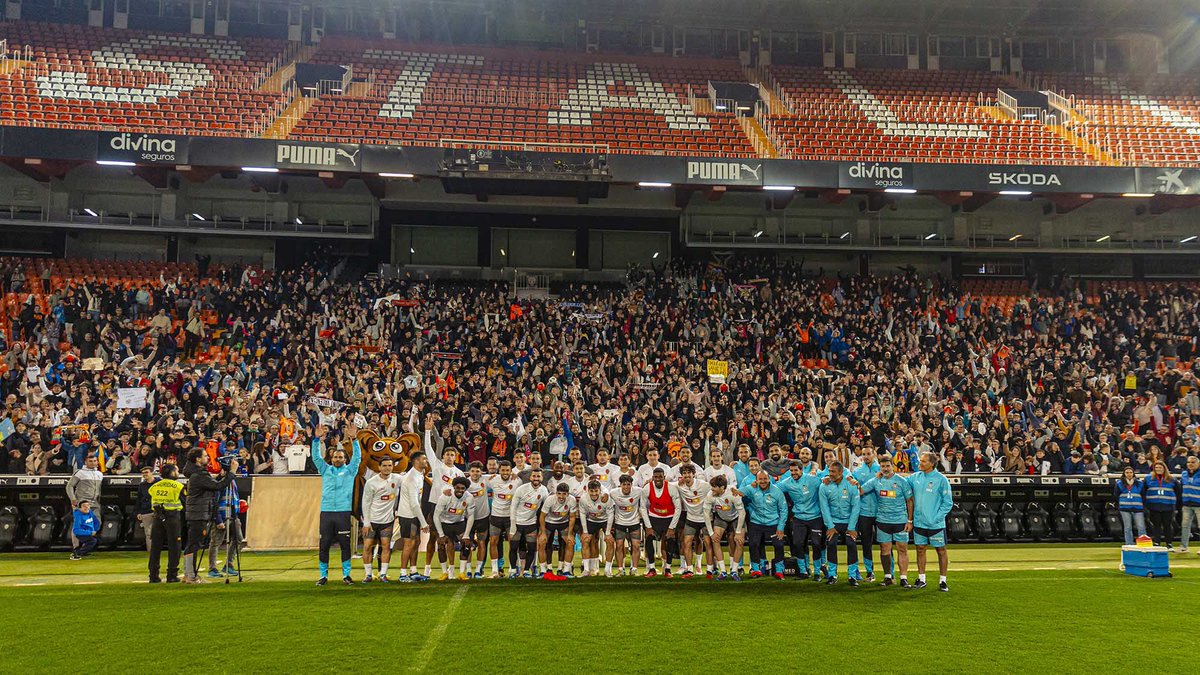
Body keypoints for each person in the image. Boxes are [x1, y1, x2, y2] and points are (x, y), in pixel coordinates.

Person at [312, 423, 362, 586]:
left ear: (344, 459)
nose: (338, 459)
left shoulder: (350, 470)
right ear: (331, 458)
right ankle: (323, 576)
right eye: (335, 457)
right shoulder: (325, 469)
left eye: (340, 457)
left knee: (345, 545)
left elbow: (357, 458)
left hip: (342, 512)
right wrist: (316, 440)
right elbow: (316, 458)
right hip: (326, 512)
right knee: (324, 544)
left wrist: (354, 440)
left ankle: (346, 575)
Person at [181, 449, 237, 584]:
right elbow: (218, 486)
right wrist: (232, 473)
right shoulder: (199, 474)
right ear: (198, 459)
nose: (208, 458)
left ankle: (188, 574)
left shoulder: (196, 474)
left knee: (193, 544)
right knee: (194, 544)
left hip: (197, 512)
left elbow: (211, 484)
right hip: (199, 513)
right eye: (205, 456)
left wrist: (220, 476)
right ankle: (190, 576)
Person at [860, 455, 914, 587]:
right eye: (882, 466)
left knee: (902, 549)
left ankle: (903, 578)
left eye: (887, 466)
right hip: (883, 520)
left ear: (892, 466)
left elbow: (910, 500)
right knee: (885, 549)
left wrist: (910, 520)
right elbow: (860, 490)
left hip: (900, 521)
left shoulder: (901, 481)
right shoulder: (876, 481)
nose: (885, 468)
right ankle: (888, 577)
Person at [908, 452, 953, 592]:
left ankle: (943, 581)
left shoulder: (941, 479)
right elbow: (901, 483)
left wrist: (936, 518)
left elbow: (948, 503)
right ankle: (921, 579)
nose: (919, 463)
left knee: (941, 550)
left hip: (936, 524)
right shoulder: (915, 477)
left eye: (923, 461)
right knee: (920, 549)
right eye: (920, 461)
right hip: (919, 522)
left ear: (932, 464)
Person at [777, 460, 825, 580]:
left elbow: (825, 481)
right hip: (799, 518)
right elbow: (773, 488)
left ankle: (818, 572)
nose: (793, 473)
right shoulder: (787, 483)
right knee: (798, 544)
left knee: (816, 544)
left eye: (795, 470)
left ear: (801, 470)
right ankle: (804, 571)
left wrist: (827, 478)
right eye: (791, 471)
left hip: (815, 517)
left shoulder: (812, 479)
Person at [819, 461, 862, 586]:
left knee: (851, 544)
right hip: (833, 522)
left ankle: (852, 576)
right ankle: (832, 575)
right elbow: (824, 508)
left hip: (849, 522)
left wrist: (852, 527)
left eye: (833, 472)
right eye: (829, 471)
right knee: (831, 543)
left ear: (841, 472)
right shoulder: (824, 486)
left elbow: (856, 507)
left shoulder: (851, 484)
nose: (830, 474)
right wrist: (830, 526)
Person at [360, 456, 400, 583]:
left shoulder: (397, 479)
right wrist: (366, 523)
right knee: (367, 547)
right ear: (379, 467)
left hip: (387, 521)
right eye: (384, 466)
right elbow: (365, 503)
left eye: (390, 465)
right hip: (372, 521)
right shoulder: (371, 482)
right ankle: (368, 574)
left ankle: (383, 574)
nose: (387, 468)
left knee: (386, 547)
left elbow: (411, 481)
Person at [742, 470, 788, 579]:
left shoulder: (777, 491)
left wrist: (780, 527)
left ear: (769, 479)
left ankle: (779, 570)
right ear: (756, 480)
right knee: (753, 544)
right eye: (760, 479)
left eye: (765, 479)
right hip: (756, 522)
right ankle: (757, 569)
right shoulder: (752, 489)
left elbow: (784, 510)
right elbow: (738, 492)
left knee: (779, 544)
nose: (763, 481)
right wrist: (750, 507)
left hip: (773, 523)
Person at [640, 467, 682, 577]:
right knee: (649, 539)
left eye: (660, 477)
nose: (658, 479)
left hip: (669, 517)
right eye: (656, 477)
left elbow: (678, 508)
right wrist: (648, 526)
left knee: (670, 540)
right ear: (652, 477)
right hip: (654, 517)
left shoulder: (671, 488)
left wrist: (672, 527)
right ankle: (652, 569)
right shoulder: (647, 489)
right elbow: (643, 508)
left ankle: (668, 569)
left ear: (664, 477)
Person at [395, 451, 430, 582]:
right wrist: (424, 522)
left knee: (416, 543)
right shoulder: (411, 478)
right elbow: (414, 504)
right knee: (409, 544)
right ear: (416, 461)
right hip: (408, 515)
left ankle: (413, 571)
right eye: (424, 459)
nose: (426, 461)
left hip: (414, 515)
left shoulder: (419, 475)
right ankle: (403, 574)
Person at [147, 463, 185, 583]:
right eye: (177, 470)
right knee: (174, 546)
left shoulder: (154, 486)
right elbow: (185, 503)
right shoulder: (178, 486)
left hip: (157, 517)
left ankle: (153, 575)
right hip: (172, 518)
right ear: (172, 473)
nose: (178, 473)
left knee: (155, 547)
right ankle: (172, 575)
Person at [433, 476, 476, 580]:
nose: (460, 490)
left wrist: (466, 535)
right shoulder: (445, 496)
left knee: (466, 544)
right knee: (441, 545)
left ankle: (462, 573)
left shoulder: (469, 497)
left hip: (458, 523)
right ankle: (445, 573)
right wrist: (441, 535)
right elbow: (436, 516)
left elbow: (471, 516)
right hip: (444, 523)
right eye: (458, 487)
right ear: (454, 487)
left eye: (463, 488)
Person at [207, 458, 243, 579]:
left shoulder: (232, 481)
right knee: (216, 542)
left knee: (238, 538)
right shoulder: (219, 482)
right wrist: (218, 520)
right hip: (222, 515)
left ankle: (229, 565)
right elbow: (214, 502)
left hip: (233, 514)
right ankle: (212, 568)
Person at [509, 468, 549, 577]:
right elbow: (513, 507)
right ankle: (513, 570)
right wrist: (512, 526)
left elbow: (546, 508)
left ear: (542, 478)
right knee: (513, 547)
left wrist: (542, 528)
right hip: (517, 523)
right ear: (530, 477)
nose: (536, 478)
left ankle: (526, 571)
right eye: (534, 476)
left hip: (531, 524)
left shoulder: (544, 490)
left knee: (531, 548)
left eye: (538, 476)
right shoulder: (521, 489)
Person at [704, 474, 745, 580]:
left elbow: (742, 513)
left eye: (714, 487)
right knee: (715, 539)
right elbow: (706, 514)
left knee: (740, 541)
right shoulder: (710, 495)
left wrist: (739, 531)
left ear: (722, 488)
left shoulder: (733, 494)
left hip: (736, 518)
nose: (711, 489)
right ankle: (723, 571)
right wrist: (711, 533)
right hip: (721, 518)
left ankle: (734, 571)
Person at [486, 460, 522, 578]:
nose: (505, 472)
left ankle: (513, 568)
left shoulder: (517, 481)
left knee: (513, 543)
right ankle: (495, 571)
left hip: (510, 518)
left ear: (511, 471)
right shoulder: (492, 480)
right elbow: (478, 480)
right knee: (493, 542)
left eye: (507, 470)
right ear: (499, 470)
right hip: (495, 517)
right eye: (503, 470)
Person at [675, 465, 712, 578]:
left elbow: (717, 488)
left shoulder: (704, 485)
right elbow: (665, 484)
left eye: (689, 473)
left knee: (708, 543)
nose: (687, 476)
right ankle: (689, 570)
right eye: (684, 473)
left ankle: (709, 570)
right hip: (691, 519)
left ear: (693, 474)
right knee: (686, 542)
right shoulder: (679, 485)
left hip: (706, 519)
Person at [850, 447, 881, 581]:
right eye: (864, 454)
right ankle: (870, 571)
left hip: (881, 511)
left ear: (873, 454)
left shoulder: (882, 468)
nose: (866, 456)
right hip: (864, 512)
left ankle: (889, 572)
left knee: (885, 543)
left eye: (868, 454)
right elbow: (855, 490)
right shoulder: (857, 472)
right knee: (866, 543)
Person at [577, 480, 615, 576]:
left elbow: (611, 515)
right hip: (591, 520)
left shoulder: (606, 499)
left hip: (606, 520)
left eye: (596, 491)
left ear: (600, 490)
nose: (594, 494)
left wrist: (607, 533)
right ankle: (586, 570)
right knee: (585, 540)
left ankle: (607, 570)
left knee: (610, 541)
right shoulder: (583, 499)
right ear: (588, 491)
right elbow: (582, 514)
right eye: (591, 491)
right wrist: (585, 532)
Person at [66, 453, 103, 549]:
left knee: (96, 523)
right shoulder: (80, 472)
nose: (93, 463)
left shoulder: (99, 474)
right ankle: (76, 547)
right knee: (79, 525)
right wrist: (73, 499)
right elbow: (69, 486)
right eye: (90, 461)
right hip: (81, 503)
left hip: (95, 503)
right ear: (85, 462)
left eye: (94, 461)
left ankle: (87, 546)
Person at [610, 474, 645, 575]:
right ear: (620, 485)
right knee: (619, 546)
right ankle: (621, 569)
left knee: (636, 546)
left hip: (634, 522)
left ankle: (634, 569)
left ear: (631, 484)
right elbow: (604, 495)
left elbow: (647, 492)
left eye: (628, 484)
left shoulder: (638, 491)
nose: (626, 487)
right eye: (624, 484)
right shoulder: (613, 493)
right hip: (619, 523)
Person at [540, 483, 577, 578]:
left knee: (570, 542)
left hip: (563, 522)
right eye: (559, 493)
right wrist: (543, 533)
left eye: (564, 494)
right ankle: (544, 570)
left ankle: (565, 570)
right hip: (549, 522)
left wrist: (570, 534)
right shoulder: (550, 500)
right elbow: (542, 516)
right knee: (541, 542)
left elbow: (572, 517)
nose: (561, 496)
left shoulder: (572, 500)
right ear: (556, 493)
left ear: (568, 494)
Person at [464, 461, 492, 578]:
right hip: (468, 518)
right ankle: (469, 570)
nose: (475, 473)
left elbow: (502, 478)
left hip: (483, 517)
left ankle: (478, 570)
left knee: (481, 543)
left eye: (478, 471)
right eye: (473, 471)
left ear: (481, 472)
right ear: (469, 472)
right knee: (467, 544)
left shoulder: (486, 480)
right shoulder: (465, 483)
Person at [1143, 461, 1179, 550]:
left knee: (1167, 525)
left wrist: (1176, 506)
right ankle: (1157, 543)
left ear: (1164, 468)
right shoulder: (1148, 478)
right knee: (1156, 525)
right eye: (1156, 468)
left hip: (1168, 506)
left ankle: (1169, 543)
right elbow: (1143, 492)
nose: (1158, 469)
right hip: (1153, 505)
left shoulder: (1172, 479)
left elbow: (1178, 492)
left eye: (1160, 467)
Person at [1114, 466, 1147, 546]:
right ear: (1124, 474)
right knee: (1128, 528)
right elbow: (1116, 495)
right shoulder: (1119, 483)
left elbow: (1143, 495)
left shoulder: (1139, 483)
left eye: (1130, 472)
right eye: (1127, 472)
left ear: (1133, 473)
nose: (1129, 474)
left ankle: (1143, 544)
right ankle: (1129, 544)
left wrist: (1144, 507)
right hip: (1124, 508)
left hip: (1138, 508)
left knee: (1141, 527)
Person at [135, 466, 158, 551]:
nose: (144, 474)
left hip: (159, 511)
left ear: (152, 472)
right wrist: (138, 512)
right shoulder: (142, 485)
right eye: (143, 473)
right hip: (146, 511)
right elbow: (139, 499)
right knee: (148, 533)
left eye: (146, 472)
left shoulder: (159, 483)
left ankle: (160, 550)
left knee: (161, 532)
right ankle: (151, 552)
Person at [1180, 456, 1200, 553]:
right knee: (1185, 525)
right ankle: (1183, 547)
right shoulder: (1184, 474)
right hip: (1187, 503)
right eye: (1188, 462)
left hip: (1199, 504)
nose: (1190, 464)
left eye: (1193, 462)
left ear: (1198, 463)